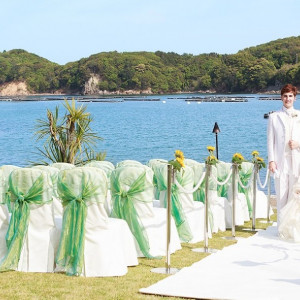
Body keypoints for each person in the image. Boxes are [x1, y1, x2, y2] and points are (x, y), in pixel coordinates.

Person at [267, 84, 300, 226]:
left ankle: (293, 227)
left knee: (295, 196)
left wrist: (298, 144)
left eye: (290, 96)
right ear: (281, 98)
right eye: (285, 96)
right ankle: (281, 228)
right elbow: (270, 140)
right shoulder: (274, 117)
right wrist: (271, 161)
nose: (288, 99)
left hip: (296, 161)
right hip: (281, 161)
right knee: (281, 195)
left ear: (295, 98)